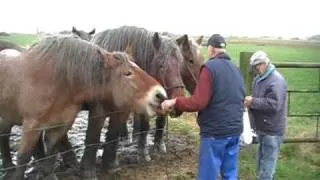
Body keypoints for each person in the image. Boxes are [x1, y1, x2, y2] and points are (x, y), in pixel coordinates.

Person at [161, 34, 245, 180]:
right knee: (230, 174)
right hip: (235, 131)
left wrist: (175, 102)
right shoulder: (236, 69)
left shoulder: (209, 68)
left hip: (215, 133)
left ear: (211, 49)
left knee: (208, 175)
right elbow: (241, 96)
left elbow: (199, 102)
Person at [244, 50, 287, 180]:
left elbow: (274, 105)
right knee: (261, 163)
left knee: (267, 167)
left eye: (256, 67)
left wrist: (253, 101)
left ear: (263, 64)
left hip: (272, 130)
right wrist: (250, 101)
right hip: (262, 127)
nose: (255, 70)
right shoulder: (260, 79)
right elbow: (261, 98)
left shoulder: (276, 81)